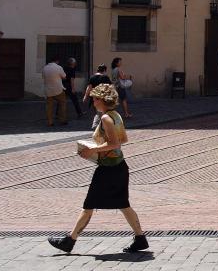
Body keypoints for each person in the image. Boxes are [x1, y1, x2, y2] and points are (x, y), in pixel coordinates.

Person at [48, 83, 148, 254]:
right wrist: (101, 146)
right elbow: (123, 140)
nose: (93, 102)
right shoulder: (116, 115)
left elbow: (115, 143)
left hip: (108, 170)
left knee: (89, 205)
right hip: (120, 167)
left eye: (95, 99)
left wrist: (92, 150)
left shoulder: (105, 119)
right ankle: (140, 238)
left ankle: (69, 241)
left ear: (102, 100)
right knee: (124, 204)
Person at [43, 57, 68, 127]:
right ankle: (62, 120)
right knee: (62, 104)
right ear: (56, 61)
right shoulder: (59, 67)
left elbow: (43, 77)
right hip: (58, 89)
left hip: (48, 90)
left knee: (49, 107)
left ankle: (50, 122)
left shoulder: (45, 68)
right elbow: (64, 77)